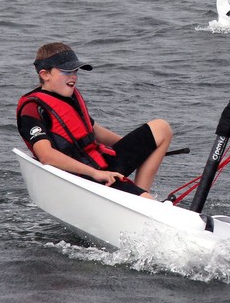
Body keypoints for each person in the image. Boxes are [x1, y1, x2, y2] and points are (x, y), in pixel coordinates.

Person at [16, 43, 172, 198]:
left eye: (75, 71)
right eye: (67, 71)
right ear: (45, 74)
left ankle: (136, 193)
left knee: (161, 128)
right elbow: (46, 156)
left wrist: (143, 150)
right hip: (83, 177)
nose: (73, 76)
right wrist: (95, 173)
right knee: (147, 202)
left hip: (100, 161)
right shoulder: (32, 108)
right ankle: (140, 199)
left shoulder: (70, 96)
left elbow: (94, 130)